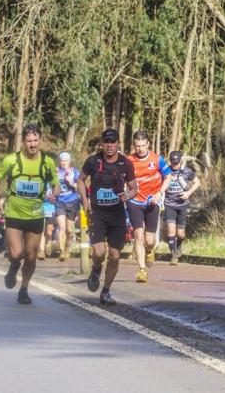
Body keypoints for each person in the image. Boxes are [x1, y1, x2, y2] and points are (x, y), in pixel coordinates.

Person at [0, 124, 60, 304]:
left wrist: (55, 193)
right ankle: (14, 266)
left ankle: (24, 289)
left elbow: (56, 183)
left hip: (36, 214)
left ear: (40, 140)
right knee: (16, 254)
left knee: (31, 256)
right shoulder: (11, 160)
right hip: (14, 213)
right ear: (23, 141)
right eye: (29, 140)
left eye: (35, 140)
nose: (32, 144)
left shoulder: (47, 162)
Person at [78, 128, 138, 304]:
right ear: (102, 143)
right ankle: (96, 270)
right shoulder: (93, 161)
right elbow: (80, 180)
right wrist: (85, 201)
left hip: (117, 214)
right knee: (99, 252)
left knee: (114, 255)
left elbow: (134, 188)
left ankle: (105, 291)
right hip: (97, 214)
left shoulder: (125, 163)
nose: (109, 145)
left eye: (113, 142)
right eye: (106, 142)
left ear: (118, 143)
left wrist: (128, 195)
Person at [127, 130, 172, 283]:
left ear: (148, 144)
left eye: (143, 146)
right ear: (134, 145)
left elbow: (169, 176)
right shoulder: (128, 161)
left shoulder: (157, 159)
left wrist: (160, 193)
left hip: (152, 201)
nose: (140, 149)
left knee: (149, 240)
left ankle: (150, 250)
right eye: (137, 146)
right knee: (138, 236)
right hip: (135, 203)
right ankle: (142, 270)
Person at [163, 150, 201, 265]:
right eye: (173, 162)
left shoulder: (187, 171)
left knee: (180, 234)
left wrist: (188, 193)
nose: (175, 165)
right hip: (169, 204)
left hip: (182, 205)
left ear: (180, 161)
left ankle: (178, 246)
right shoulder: (166, 171)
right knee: (171, 231)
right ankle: (173, 255)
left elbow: (197, 182)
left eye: (177, 162)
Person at [55, 151, 81, 261]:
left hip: (72, 201)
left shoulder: (74, 172)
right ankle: (61, 251)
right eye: (61, 161)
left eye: (65, 161)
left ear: (69, 161)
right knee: (62, 228)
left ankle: (67, 248)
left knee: (69, 230)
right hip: (59, 201)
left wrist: (72, 183)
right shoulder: (56, 172)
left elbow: (80, 187)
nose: (63, 163)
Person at [38, 183, 56, 260]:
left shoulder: (52, 181)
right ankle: (41, 251)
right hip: (40, 207)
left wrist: (53, 196)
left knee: (49, 232)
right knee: (41, 230)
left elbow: (57, 190)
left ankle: (47, 243)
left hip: (50, 207)